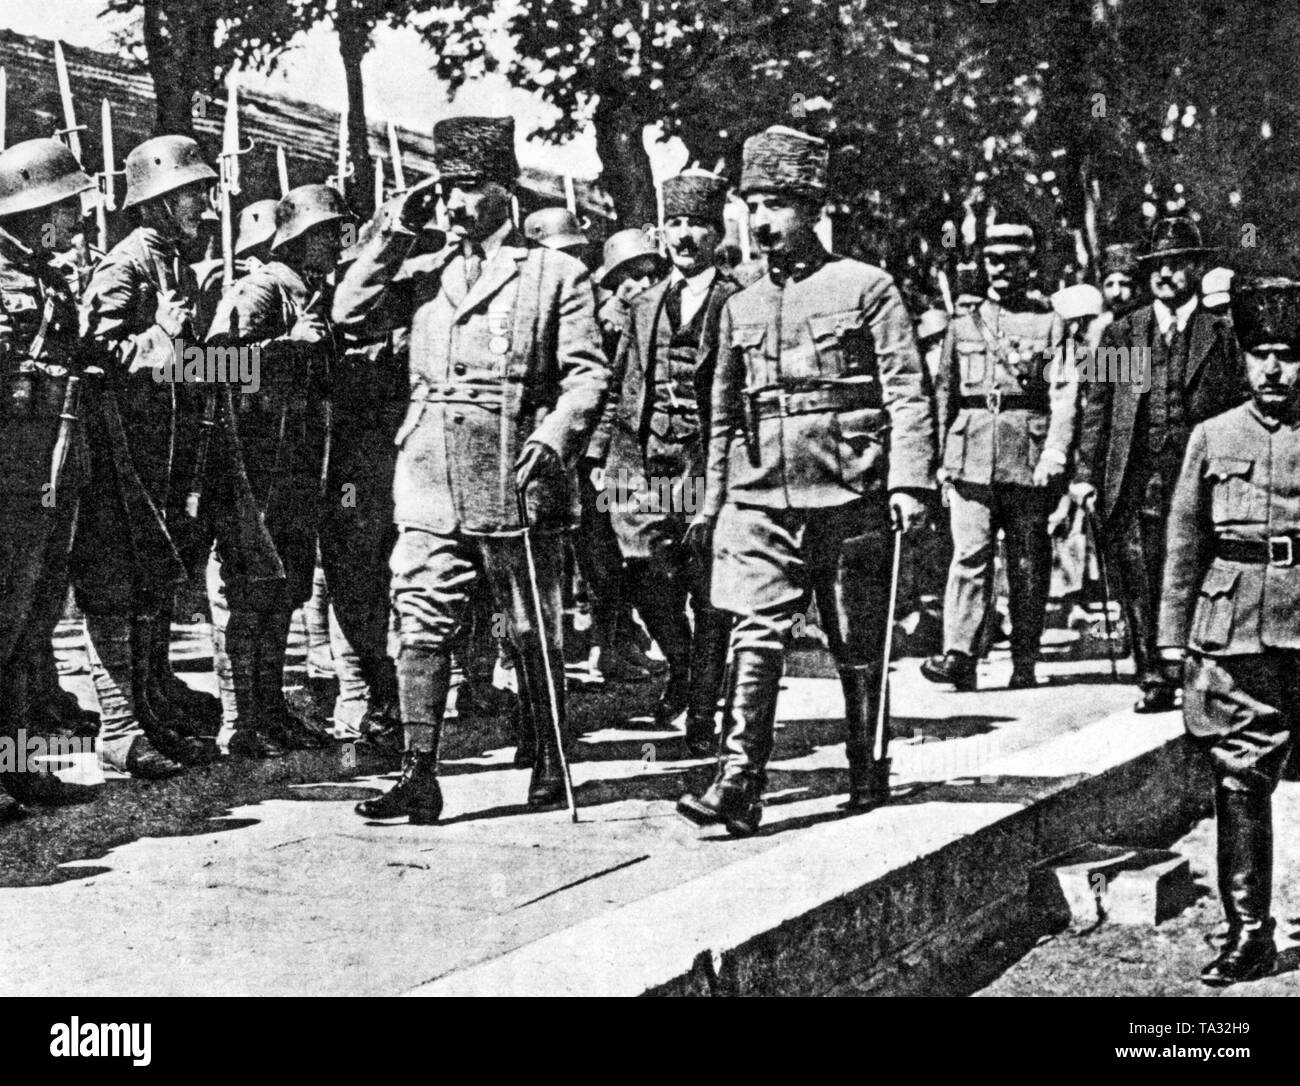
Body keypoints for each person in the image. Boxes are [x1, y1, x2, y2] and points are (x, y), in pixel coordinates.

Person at [334, 116, 609, 823]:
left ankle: (548, 756)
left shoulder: (554, 273)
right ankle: (418, 771)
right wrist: (394, 230)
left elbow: (586, 377)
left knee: (529, 628)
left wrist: (555, 438)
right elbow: (349, 314)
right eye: (448, 189)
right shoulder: (421, 274)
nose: (456, 204)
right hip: (428, 473)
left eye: (471, 188)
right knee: (418, 618)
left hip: (514, 470)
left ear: (505, 191)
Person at [677, 125, 935, 836]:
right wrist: (715, 501)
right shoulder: (740, 307)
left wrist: (911, 482)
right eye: (752, 204)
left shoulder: (866, 287)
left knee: (855, 639)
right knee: (753, 632)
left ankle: (865, 761)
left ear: (813, 209)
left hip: (848, 491)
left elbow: (908, 392)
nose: (761, 222)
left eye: (779, 205)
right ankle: (739, 780)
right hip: (759, 495)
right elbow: (723, 415)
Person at [1158, 276, 1300, 986]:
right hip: (1235, 620)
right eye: (1261, 355)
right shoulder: (1212, 436)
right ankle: (1249, 932)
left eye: (1289, 355)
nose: (1274, 370)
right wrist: (1169, 635)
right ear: (1242, 361)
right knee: (1241, 776)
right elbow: (1184, 540)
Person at [76, 134, 223, 778]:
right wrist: (161, 333)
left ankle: (149, 712)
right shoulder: (125, 266)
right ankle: (119, 726)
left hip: (163, 457)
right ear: (160, 202)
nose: (206, 206)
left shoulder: (178, 268)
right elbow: (95, 362)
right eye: (193, 194)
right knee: (113, 587)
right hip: (118, 461)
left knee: (151, 587)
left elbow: (185, 367)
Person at [591, 169, 740, 755]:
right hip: (642, 465)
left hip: (709, 464)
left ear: (717, 232)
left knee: (708, 591)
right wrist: (603, 453)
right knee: (646, 577)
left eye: (697, 225)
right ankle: (682, 666)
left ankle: (702, 713)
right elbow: (619, 384)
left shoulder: (738, 301)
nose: (684, 237)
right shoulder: (644, 303)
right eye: (675, 224)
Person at [1070, 216, 1245, 711]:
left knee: (1199, 566)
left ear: (1194, 267)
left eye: (1176, 265)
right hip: (1137, 474)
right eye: (1157, 267)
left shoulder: (1223, 334)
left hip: (1205, 474)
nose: (1165, 275)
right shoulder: (1122, 334)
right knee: (1140, 570)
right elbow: (1097, 409)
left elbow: (1239, 401)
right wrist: (1084, 476)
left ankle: (1197, 668)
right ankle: (1153, 675)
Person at [204, 184, 345, 756]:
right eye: (331, 233)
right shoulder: (260, 287)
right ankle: (240, 722)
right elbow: (206, 364)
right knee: (249, 586)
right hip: (254, 463)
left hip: (296, 462)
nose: (340, 243)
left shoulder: (308, 289)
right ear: (305, 238)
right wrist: (289, 345)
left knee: (283, 589)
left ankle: (271, 709)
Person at [922, 214, 1076, 691]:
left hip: (1027, 455)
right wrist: (941, 464)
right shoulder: (961, 323)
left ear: (1030, 264)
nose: (1000, 269)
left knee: (1027, 562)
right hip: (969, 454)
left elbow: (1066, 392)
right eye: (992, 259)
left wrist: (1055, 451)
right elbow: (943, 394)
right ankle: (960, 656)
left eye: (1011, 260)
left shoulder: (1051, 324)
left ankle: (1024, 659)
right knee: (969, 555)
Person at [0, 138, 99, 810]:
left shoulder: (51, 279)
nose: (76, 220)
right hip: (8, 477)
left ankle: (21, 766)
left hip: (50, 476)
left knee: (32, 630)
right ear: (38, 210)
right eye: (68, 207)